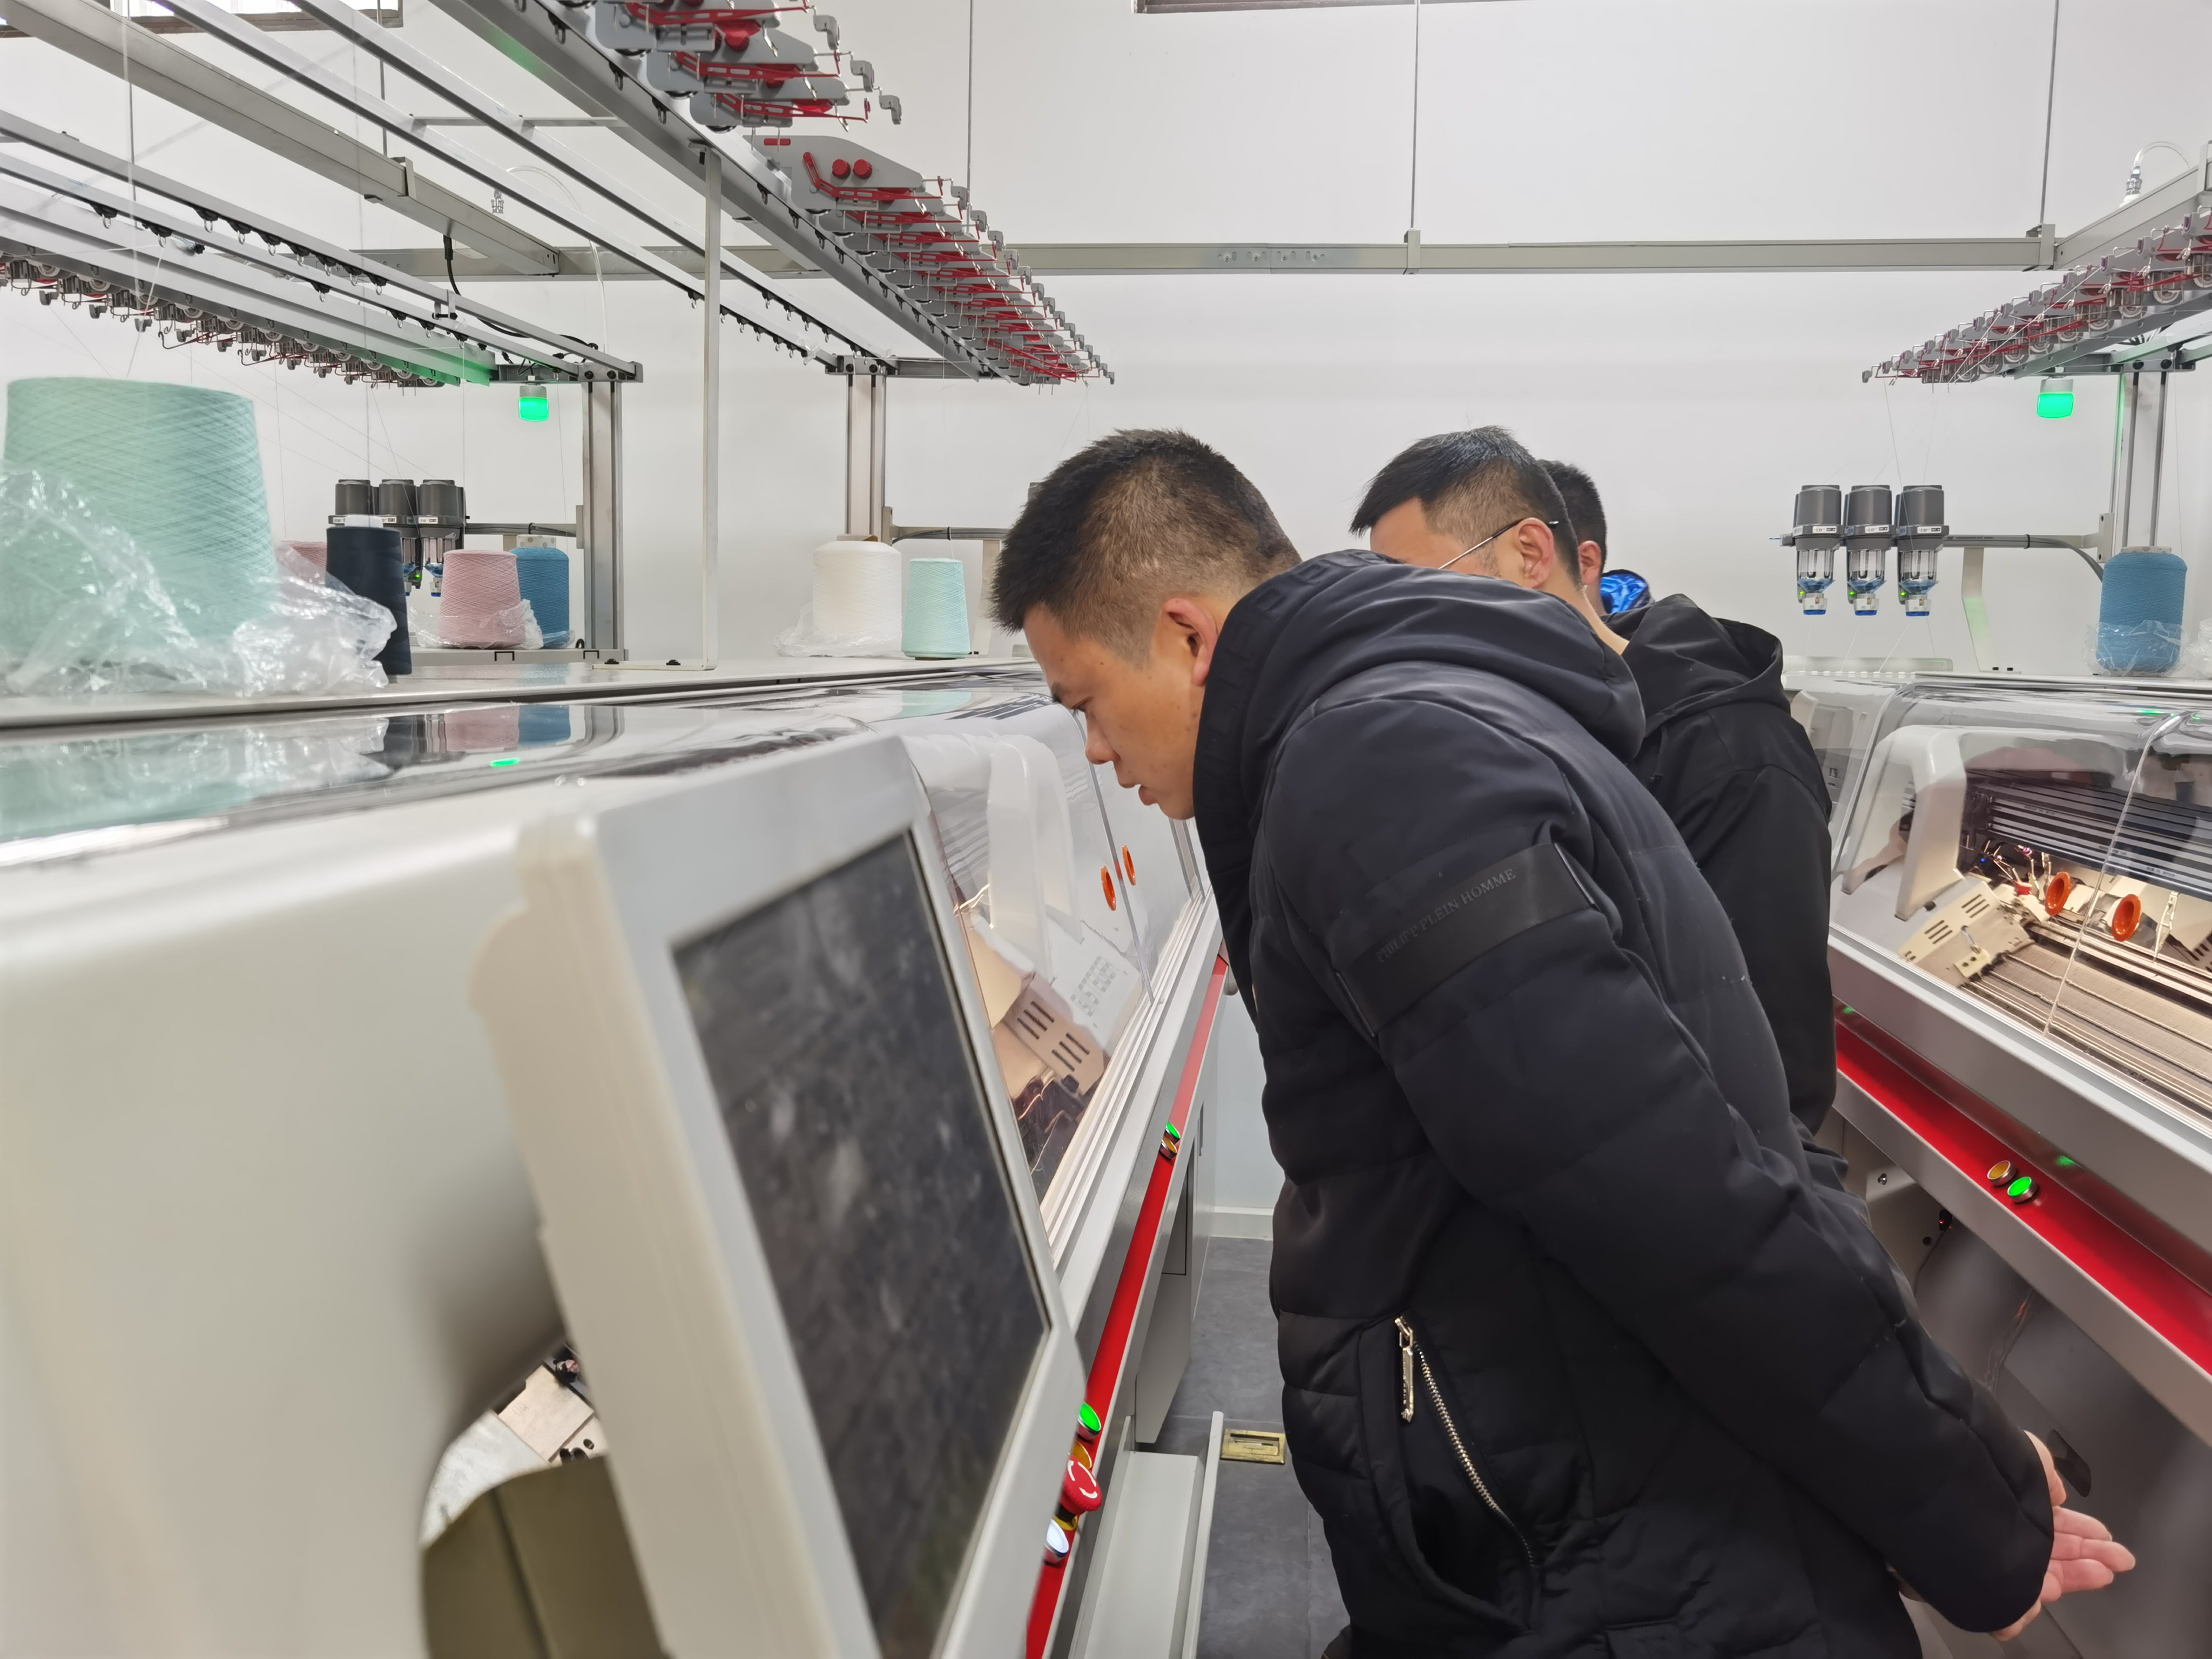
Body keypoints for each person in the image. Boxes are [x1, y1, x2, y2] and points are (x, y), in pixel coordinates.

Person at [992, 427, 2131, 1657]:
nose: (1094, 751)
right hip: (1575, 1505)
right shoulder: (1425, 723)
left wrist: (1963, 1508)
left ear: (1185, 636)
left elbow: (1673, 1197)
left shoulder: (1374, 770)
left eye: (1085, 704)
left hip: (1610, 1565)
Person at [1352, 436, 1838, 1134]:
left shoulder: (1735, 757)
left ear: (1529, 552)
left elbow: (1773, 1077)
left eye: (1423, 588)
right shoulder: (1522, 731)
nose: (1405, 626)